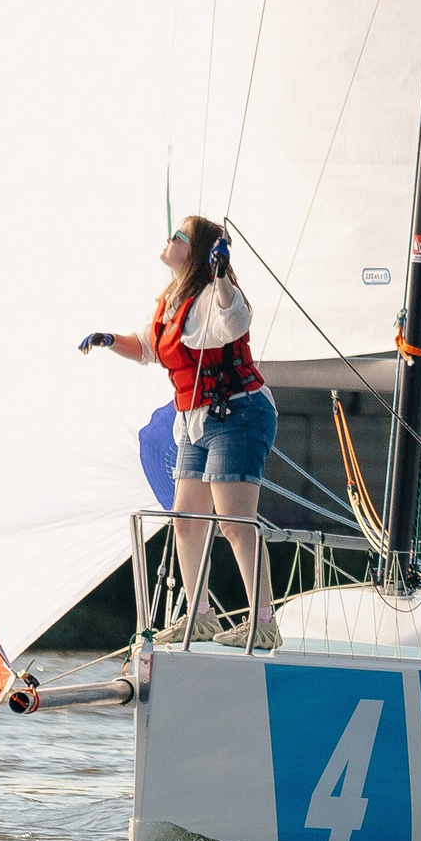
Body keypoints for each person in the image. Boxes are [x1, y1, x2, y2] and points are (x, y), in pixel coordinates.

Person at [79, 215, 280, 650]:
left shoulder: (213, 295)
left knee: (234, 522)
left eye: (178, 236)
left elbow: (236, 321)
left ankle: (264, 622)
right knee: (186, 522)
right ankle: (201, 615)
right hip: (195, 420)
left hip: (239, 414)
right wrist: (108, 339)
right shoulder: (173, 301)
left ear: (194, 252)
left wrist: (222, 274)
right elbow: (148, 346)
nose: (168, 239)